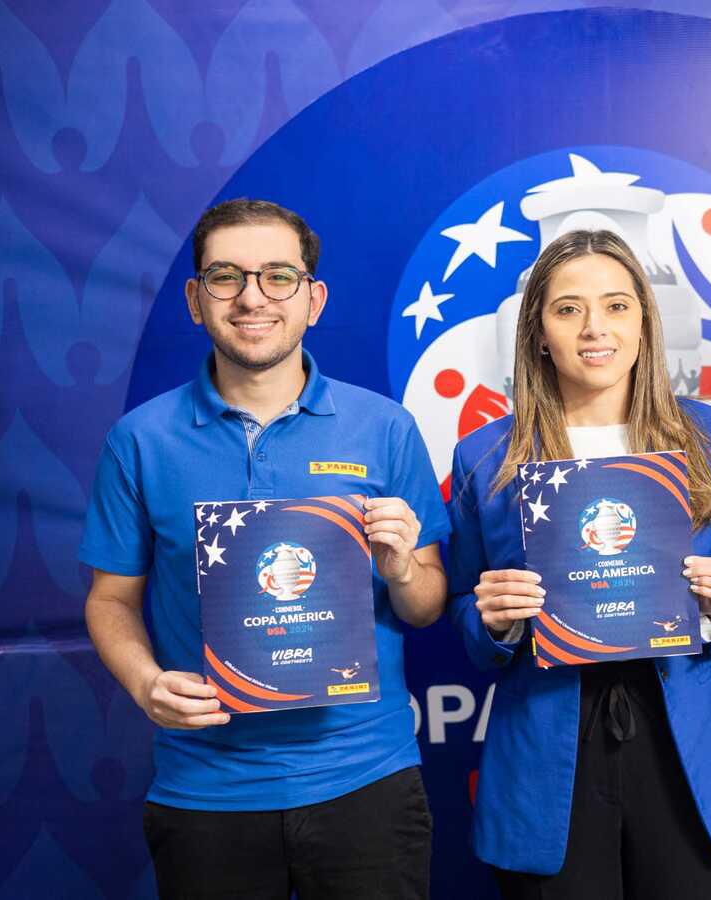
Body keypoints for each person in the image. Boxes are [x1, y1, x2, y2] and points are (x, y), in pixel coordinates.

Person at [79, 199, 449, 899]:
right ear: (195, 299)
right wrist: (144, 683)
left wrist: (402, 567)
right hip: (206, 791)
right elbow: (111, 599)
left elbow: (427, 604)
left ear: (313, 299)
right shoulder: (140, 440)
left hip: (365, 780)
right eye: (226, 277)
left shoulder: (384, 428)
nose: (252, 297)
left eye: (278, 277)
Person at [447, 229, 711, 900]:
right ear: (539, 331)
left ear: (645, 323)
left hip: (685, 741)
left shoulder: (707, 436)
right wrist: (496, 622)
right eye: (568, 309)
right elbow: (465, 619)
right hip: (547, 750)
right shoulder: (486, 455)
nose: (595, 327)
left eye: (617, 306)